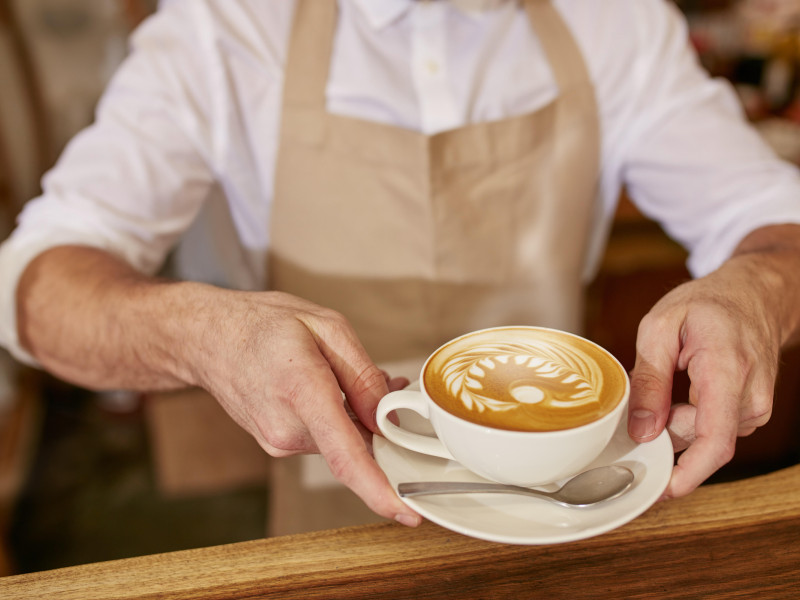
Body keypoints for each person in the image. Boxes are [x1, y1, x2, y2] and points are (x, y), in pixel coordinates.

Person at [2, 0, 800, 529]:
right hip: (330, 498)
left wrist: (760, 284)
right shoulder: (229, 24)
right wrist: (199, 331)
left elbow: (771, 218)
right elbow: (33, 283)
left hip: (562, 489)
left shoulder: (614, 19)